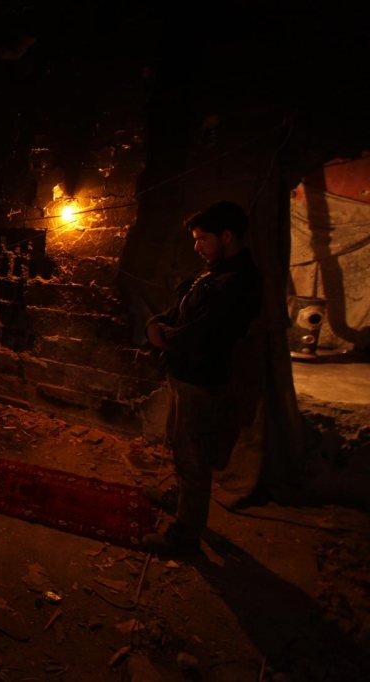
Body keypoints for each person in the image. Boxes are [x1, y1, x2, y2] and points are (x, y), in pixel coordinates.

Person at [142, 201, 262, 556]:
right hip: (186, 373)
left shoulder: (238, 282)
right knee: (182, 446)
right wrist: (156, 323)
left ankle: (185, 535)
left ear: (227, 236)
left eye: (202, 239)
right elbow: (183, 311)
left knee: (193, 454)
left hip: (202, 378)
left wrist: (162, 337)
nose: (197, 246)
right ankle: (182, 501)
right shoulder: (214, 274)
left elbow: (204, 332)